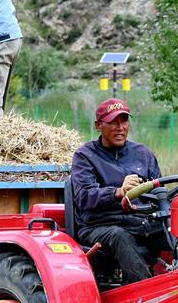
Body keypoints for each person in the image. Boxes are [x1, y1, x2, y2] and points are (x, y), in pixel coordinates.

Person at [70, 99, 164, 283]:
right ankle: (144, 295)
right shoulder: (85, 156)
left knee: (176, 230)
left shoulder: (143, 154)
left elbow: (159, 193)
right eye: (113, 122)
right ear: (98, 125)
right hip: (99, 226)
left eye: (124, 121)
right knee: (119, 236)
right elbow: (84, 197)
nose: (120, 127)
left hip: (140, 222)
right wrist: (117, 192)